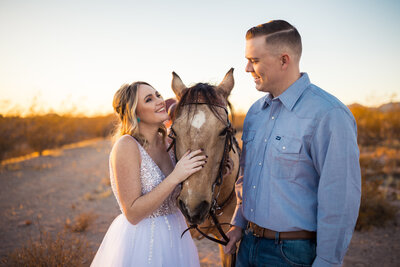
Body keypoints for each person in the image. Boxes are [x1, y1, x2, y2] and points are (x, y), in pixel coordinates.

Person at [224, 20, 361, 266]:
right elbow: (247, 177)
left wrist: (328, 261)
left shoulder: (329, 115)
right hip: (247, 246)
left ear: (284, 60)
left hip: (292, 254)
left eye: (254, 60)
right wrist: (238, 222)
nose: (246, 68)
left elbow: (340, 199)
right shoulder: (255, 113)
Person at [91, 81, 206, 266]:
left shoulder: (170, 142)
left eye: (158, 95)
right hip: (141, 240)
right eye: (149, 99)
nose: (160, 101)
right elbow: (133, 214)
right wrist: (175, 176)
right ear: (134, 113)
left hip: (177, 235)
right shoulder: (127, 146)